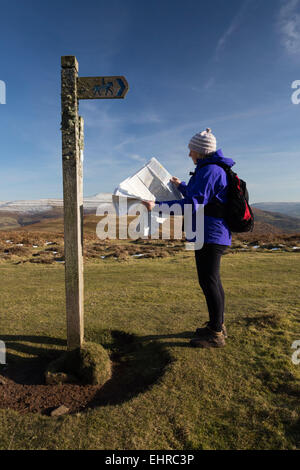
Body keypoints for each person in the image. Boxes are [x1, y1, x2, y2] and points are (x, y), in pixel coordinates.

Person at [142, 128, 235, 348]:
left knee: (209, 281)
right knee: (212, 281)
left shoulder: (210, 170)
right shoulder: (209, 169)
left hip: (209, 233)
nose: (189, 154)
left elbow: (194, 203)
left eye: (191, 150)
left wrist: (158, 207)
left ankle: (215, 334)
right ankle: (217, 325)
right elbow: (199, 195)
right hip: (210, 232)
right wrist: (181, 185)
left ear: (200, 151)